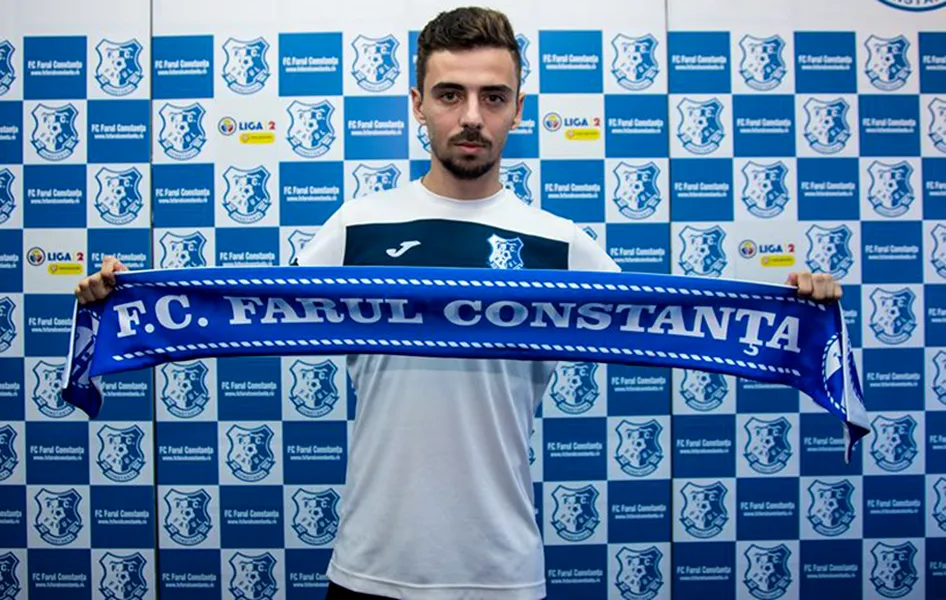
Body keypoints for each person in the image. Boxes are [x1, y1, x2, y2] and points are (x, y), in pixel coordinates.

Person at [75, 7, 842, 599]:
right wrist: (122, 301)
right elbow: (242, 307)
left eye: (492, 96)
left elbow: (674, 320)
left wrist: (798, 314)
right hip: (370, 567)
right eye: (450, 94)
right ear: (418, 103)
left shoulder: (559, 244)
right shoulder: (357, 226)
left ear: (517, 109)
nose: (471, 115)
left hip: (502, 573)